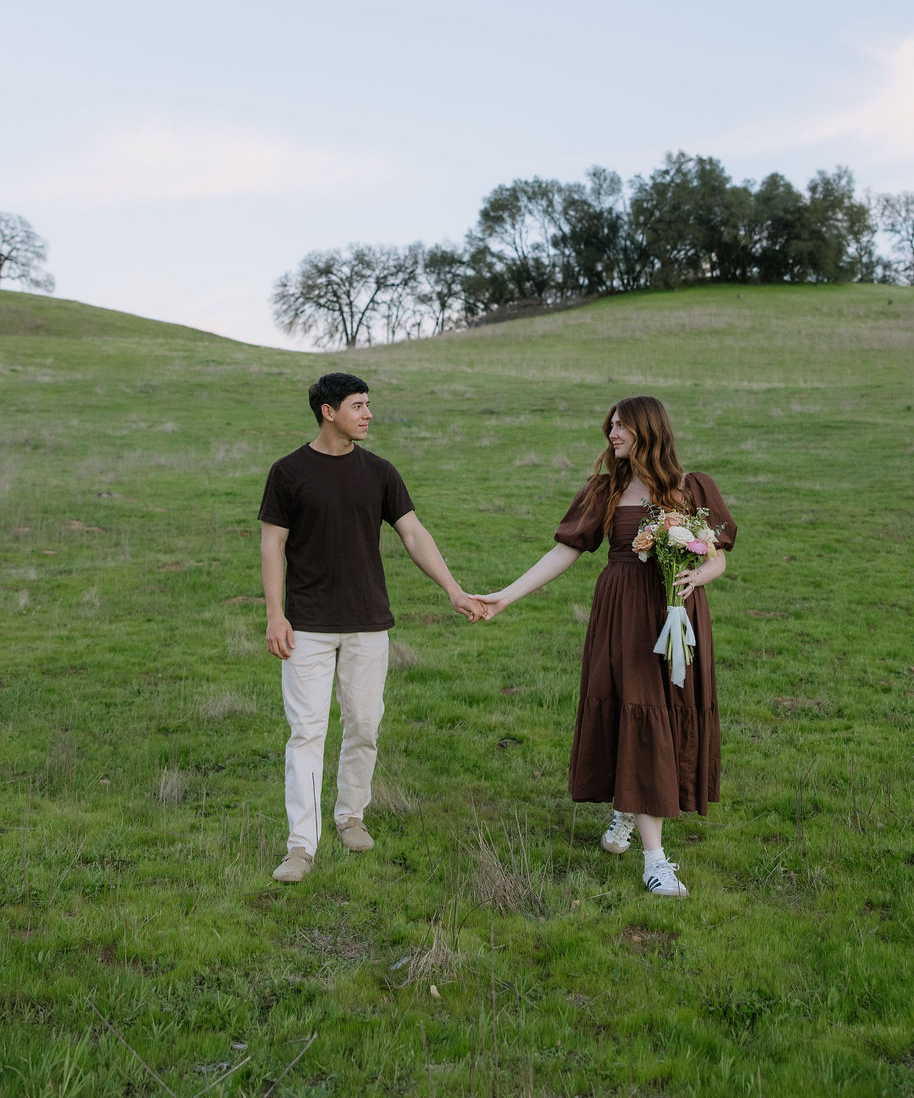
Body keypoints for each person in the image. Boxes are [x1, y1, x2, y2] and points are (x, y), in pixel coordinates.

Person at [474, 396, 736, 897]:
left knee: (666, 712)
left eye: (621, 427)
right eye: (611, 426)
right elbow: (565, 551)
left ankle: (629, 806)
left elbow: (718, 555)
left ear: (648, 430)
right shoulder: (606, 489)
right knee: (639, 710)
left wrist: (699, 574)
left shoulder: (694, 487)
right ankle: (655, 861)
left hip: (678, 615)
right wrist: (505, 596)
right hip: (624, 616)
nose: (612, 434)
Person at [259, 371, 484, 884]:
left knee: (363, 724)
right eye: (358, 405)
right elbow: (272, 544)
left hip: (367, 624)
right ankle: (301, 846)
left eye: (368, 405)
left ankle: (351, 815)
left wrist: (453, 590)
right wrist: (275, 613)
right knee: (307, 732)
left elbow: (414, 533)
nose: (368, 414)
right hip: (307, 626)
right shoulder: (288, 472)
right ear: (328, 411)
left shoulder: (380, 472)